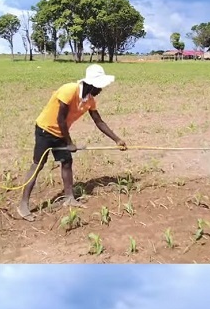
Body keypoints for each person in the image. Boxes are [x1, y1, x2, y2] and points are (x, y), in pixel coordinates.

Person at [17, 64, 128, 221]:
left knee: (66, 162)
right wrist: (69, 143)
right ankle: (23, 204)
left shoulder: (90, 101)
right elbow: (60, 119)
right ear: (91, 84)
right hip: (45, 130)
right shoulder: (69, 90)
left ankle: (69, 197)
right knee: (38, 165)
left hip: (61, 133)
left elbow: (99, 122)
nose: (101, 90)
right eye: (100, 86)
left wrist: (117, 139)